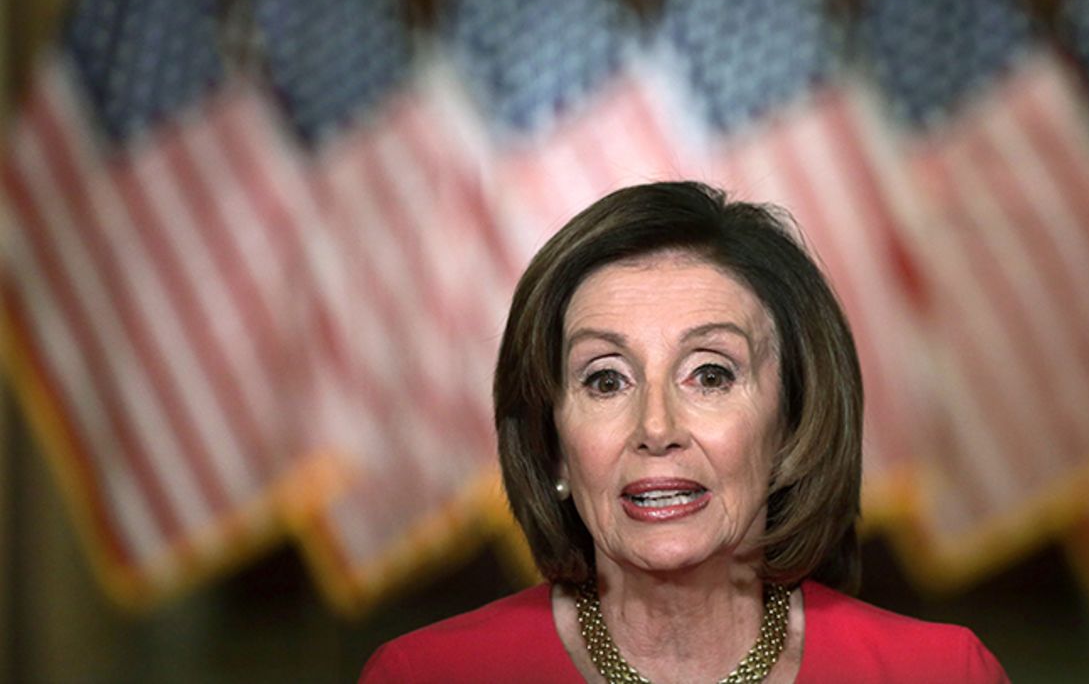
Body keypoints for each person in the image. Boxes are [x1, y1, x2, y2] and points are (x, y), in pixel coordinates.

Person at [361, 181, 1008, 683]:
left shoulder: (942, 672)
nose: (657, 428)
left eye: (711, 374)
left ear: (792, 423)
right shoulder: (426, 676)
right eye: (606, 380)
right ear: (550, 440)